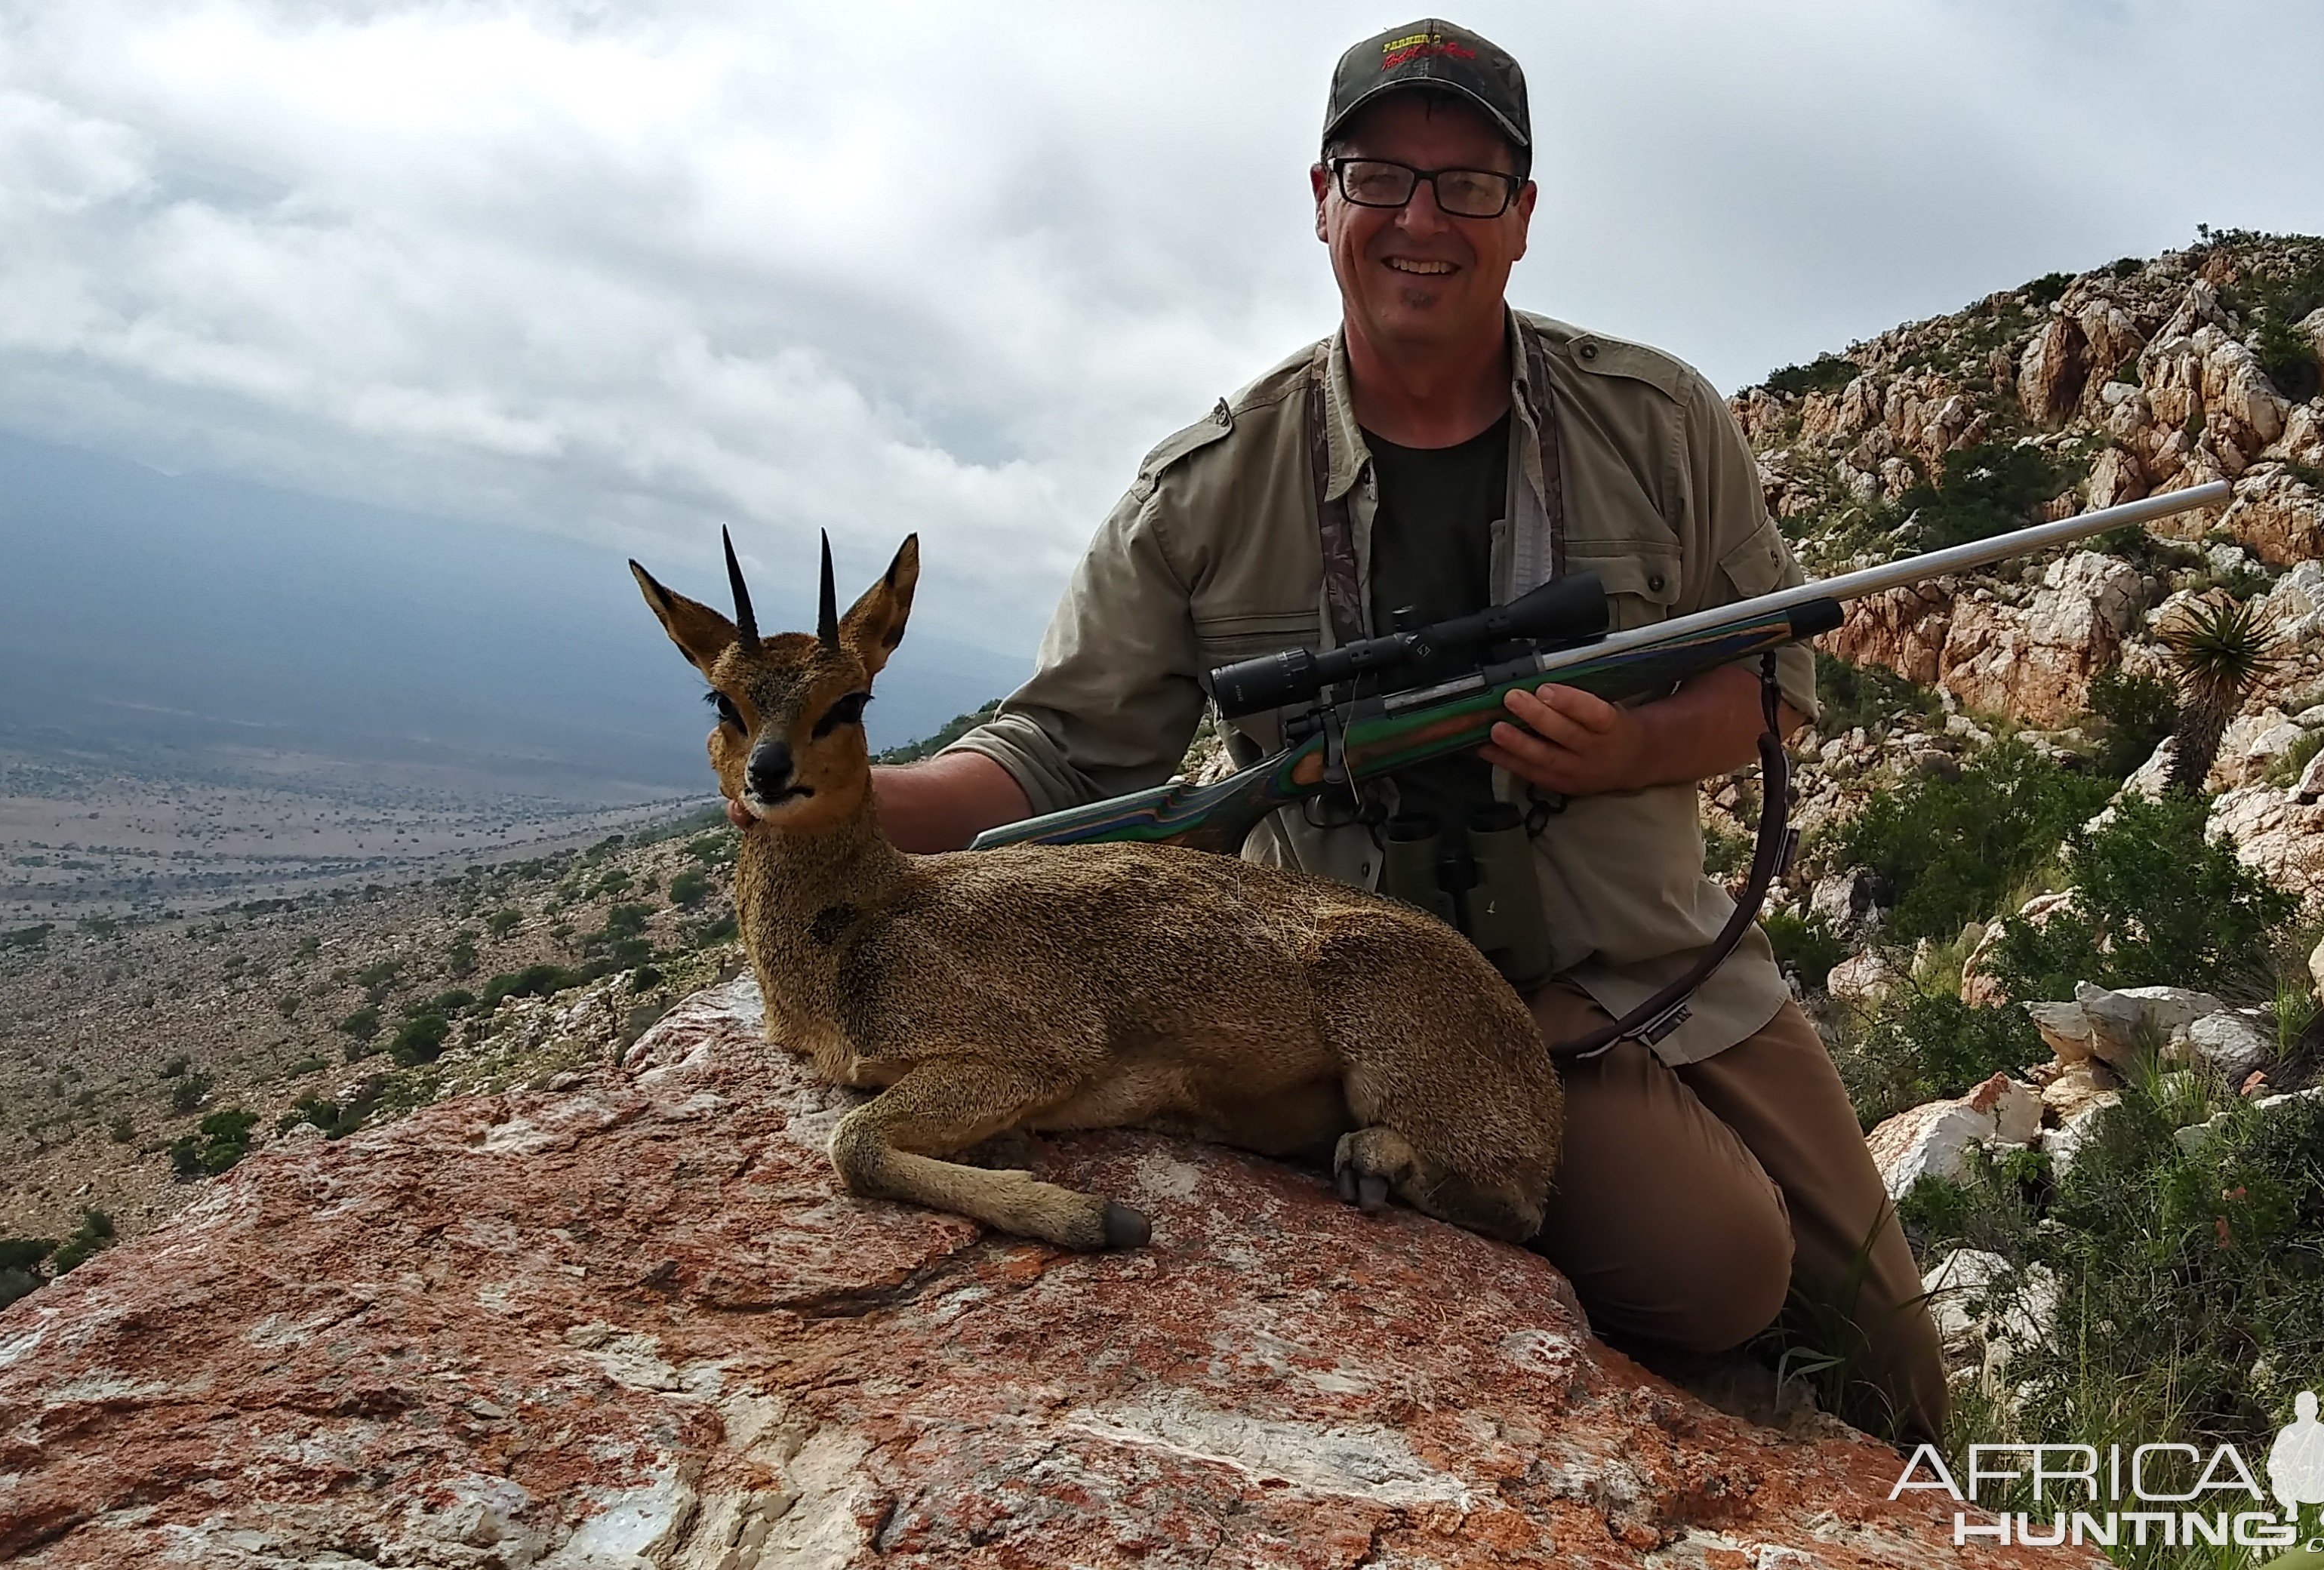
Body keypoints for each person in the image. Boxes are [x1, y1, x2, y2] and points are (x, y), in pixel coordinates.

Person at [826, 19, 1945, 1445]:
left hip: (1660, 957)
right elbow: (1058, 760)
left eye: (1467, 185)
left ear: (1523, 217)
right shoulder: (1205, 488)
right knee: (1719, 1272)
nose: (1421, 220)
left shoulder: (1656, 422)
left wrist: (1622, 752)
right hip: (1368, 1012)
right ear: (1321, 198)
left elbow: (1771, 682)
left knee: (1894, 1356)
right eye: (1380, 178)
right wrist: (835, 793)